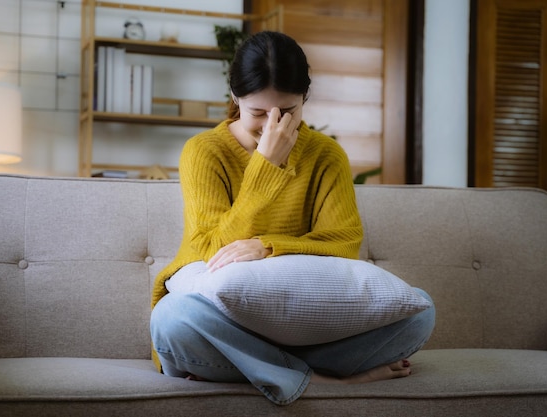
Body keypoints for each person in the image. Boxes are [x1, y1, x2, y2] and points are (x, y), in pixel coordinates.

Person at [150, 31, 435, 406]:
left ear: (305, 98)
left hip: (311, 326)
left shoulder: (326, 155)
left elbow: (343, 244)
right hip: (227, 322)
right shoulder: (204, 152)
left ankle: (261, 369)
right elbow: (208, 251)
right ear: (236, 98)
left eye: (287, 112)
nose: (273, 126)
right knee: (172, 319)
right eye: (258, 114)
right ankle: (326, 380)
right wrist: (265, 168)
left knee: (420, 312)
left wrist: (268, 247)